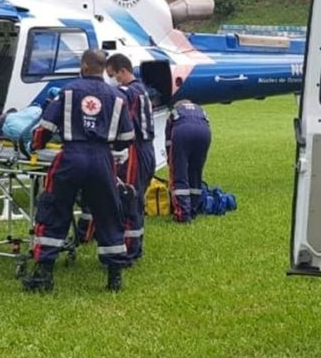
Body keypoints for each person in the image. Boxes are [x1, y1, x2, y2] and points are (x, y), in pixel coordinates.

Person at [21, 50, 135, 293]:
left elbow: (45, 128)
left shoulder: (68, 91)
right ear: (104, 68)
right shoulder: (117, 97)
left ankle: (44, 275)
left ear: (84, 66)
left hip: (71, 157)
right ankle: (114, 276)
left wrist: (35, 146)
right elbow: (126, 137)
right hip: (102, 160)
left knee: (54, 209)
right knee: (108, 212)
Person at [77, 53, 156, 262]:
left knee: (129, 198)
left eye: (113, 75)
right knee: (135, 199)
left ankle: (129, 250)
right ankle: (134, 246)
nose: (113, 79)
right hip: (146, 149)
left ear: (123, 71)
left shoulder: (128, 92)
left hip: (136, 151)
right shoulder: (142, 90)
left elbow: (111, 102)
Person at [165, 99, 211, 223]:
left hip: (183, 132)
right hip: (204, 134)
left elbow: (169, 141)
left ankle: (183, 214)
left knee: (179, 174)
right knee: (196, 172)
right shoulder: (201, 110)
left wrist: (171, 161)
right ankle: (194, 210)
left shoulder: (174, 112)